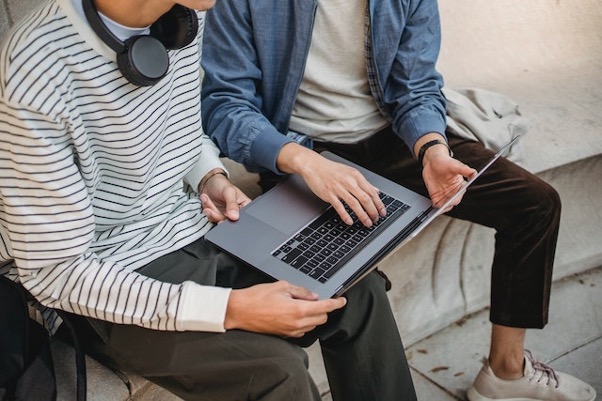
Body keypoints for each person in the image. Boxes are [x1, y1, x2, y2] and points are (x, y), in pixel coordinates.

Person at [0, 0, 418, 400]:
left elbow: (180, 129)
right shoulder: (34, 72)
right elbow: (56, 272)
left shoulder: (180, 20)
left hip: (194, 226)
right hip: (107, 280)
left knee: (358, 290)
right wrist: (230, 309)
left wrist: (209, 176)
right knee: (276, 371)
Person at [200, 0, 597, 400]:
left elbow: (417, 86)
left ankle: (505, 374)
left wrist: (433, 150)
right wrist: (304, 162)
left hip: (394, 137)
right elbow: (225, 105)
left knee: (535, 204)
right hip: (302, 153)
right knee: (348, 280)